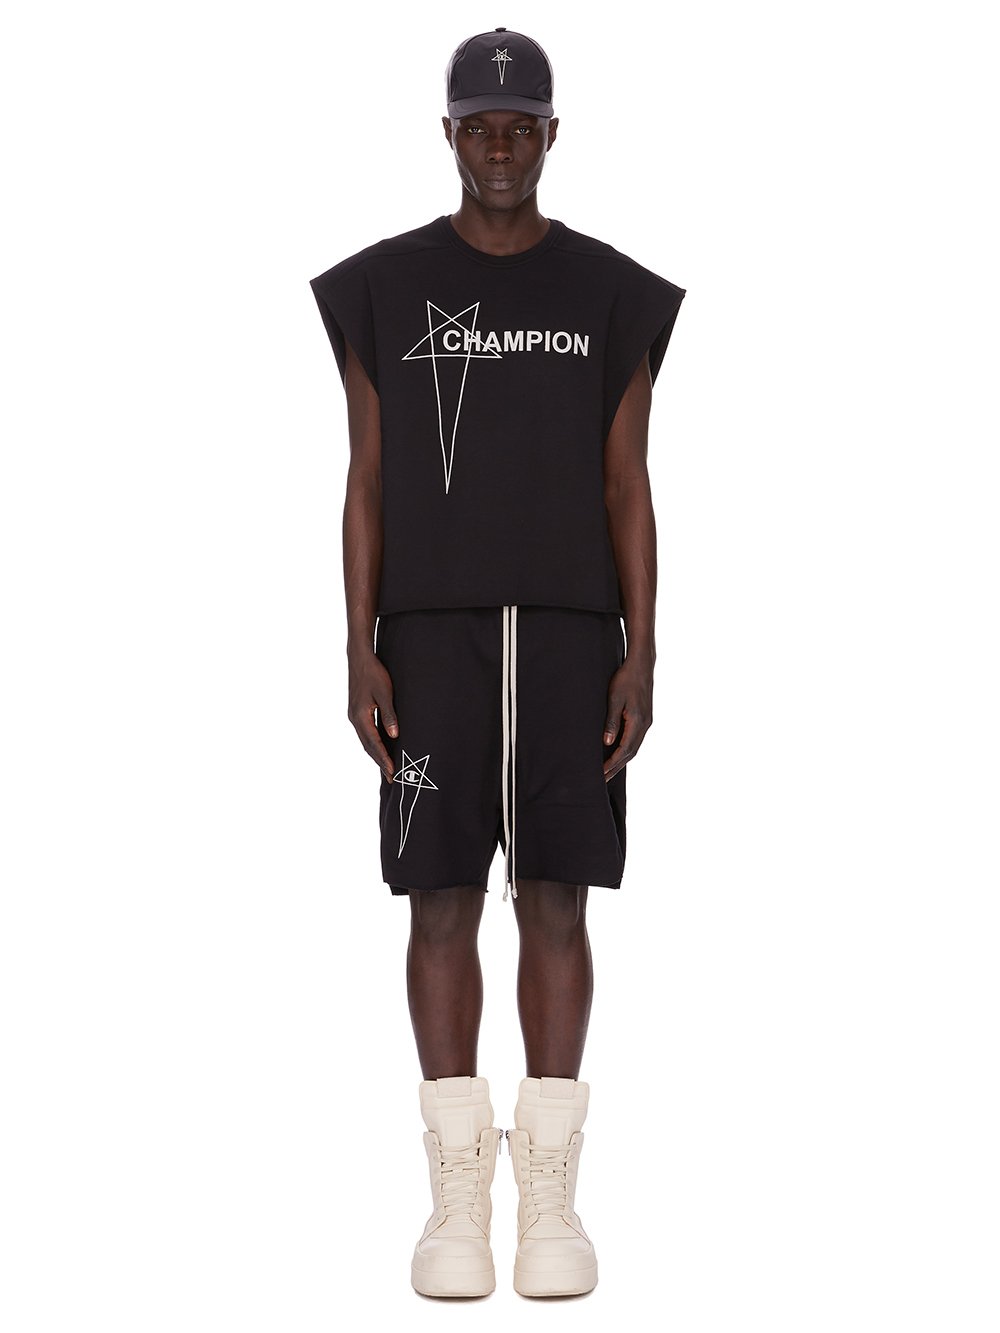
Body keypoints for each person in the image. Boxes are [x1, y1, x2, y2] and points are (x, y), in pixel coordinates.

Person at [309, 27, 686, 1299]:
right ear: (450, 135)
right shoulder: (381, 287)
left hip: (574, 631)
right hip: (429, 634)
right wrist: (356, 644)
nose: (502, 146)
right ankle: (457, 1204)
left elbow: (628, 482)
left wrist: (643, 649)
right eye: (481, 124)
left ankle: (554, 1206)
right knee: (437, 900)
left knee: (558, 900)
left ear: (552, 135)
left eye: (522, 125)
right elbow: (366, 477)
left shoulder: (612, 293)